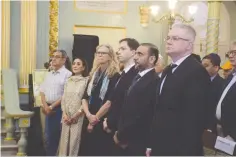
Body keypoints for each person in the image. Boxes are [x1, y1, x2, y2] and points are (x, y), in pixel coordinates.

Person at [148, 24, 210, 156]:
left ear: (189, 45)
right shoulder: (168, 69)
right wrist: (152, 143)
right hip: (161, 145)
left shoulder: (196, 72)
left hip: (180, 148)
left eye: (175, 38)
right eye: (168, 38)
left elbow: (195, 118)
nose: (169, 41)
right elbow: (159, 109)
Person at [114, 43, 160, 156]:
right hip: (125, 136)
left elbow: (140, 113)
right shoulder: (138, 77)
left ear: (152, 59)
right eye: (135, 54)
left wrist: (122, 136)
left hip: (135, 140)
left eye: (140, 54)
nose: (135, 57)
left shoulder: (153, 81)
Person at [79, 44, 120, 156]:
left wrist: (94, 120)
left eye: (103, 53)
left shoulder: (114, 76)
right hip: (88, 116)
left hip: (102, 120)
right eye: (98, 53)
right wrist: (88, 115)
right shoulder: (93, 74)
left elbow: (109, 102)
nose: (100, 55)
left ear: (110, 56)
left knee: (99, 150)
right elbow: (84, 98)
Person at [102, 38, 139, 155]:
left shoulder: (136, 74)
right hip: (112, 127)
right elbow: (115, 100)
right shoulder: (123, 73)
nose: (118, 52)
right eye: (118, 49)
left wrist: (115, 128)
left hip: (121, 132)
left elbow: (128, 106)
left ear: (133, 52)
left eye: (123, 49)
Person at [40, 50, 72, 156]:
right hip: (46, 109)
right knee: (47, 137)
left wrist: (52, 106)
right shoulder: (48, 74)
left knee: (56, 137)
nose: (53, 59)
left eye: (57, 57)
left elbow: (66, 94)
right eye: (52, 56)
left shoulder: (68, 74)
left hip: (59, 109)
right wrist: (46, 106)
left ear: (64, 60)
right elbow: (42, 91)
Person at [58, 57, 89, 156]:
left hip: (78, 118)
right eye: (74, 63)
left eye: (78, 64)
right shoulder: (68, 80)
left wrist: (77, 115)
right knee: (64, 143)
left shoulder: (86, 81)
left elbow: (85, 99)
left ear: (83, 67)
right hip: (66, 117)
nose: (75, 66)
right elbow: (64, 98)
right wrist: (64, 114)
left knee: (74, 143)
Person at [216, 40, 236, 142]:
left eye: (235, 53)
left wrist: (233, 134)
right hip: (221, 130)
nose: (231, 56)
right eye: (230, 53)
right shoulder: (230, 76)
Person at [201, 53, 224, 133]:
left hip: (213, 129)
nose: (202, 69)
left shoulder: (222, 85)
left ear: (216, 68)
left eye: (206, 66)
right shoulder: (198, 82)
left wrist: (210, 126)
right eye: (201, 66)